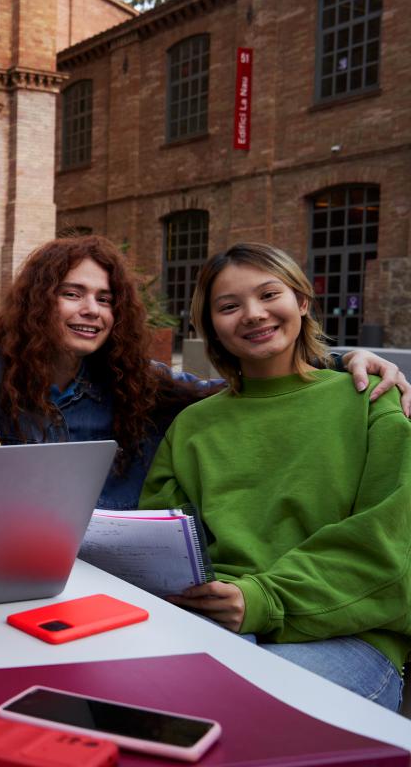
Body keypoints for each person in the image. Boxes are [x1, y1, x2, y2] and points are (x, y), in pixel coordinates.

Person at [141, 242, 411, 710]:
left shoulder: (371, 401)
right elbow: (163, 544)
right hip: (215, 619)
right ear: (211, 329)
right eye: (229, 306)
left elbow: (391, 549)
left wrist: (262, 599)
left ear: (302, 302)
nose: (252, 314)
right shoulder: (193, 426)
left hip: (346, 632)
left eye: (269, 295)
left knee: (242, 711)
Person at [0, 235, 411, 509]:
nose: (91, 310)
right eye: (72, 293)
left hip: (124, 578)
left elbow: (229, 389)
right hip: (16, 568)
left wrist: (338, 359)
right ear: (37, 302)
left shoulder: (133, 381)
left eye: (105, 299)